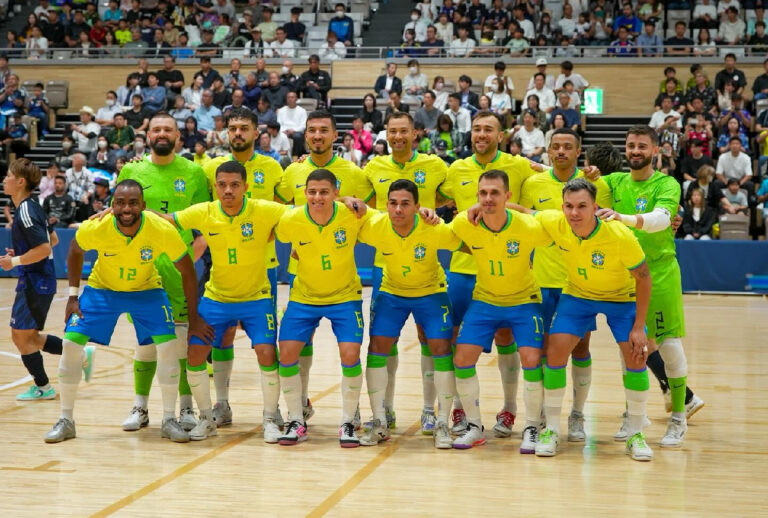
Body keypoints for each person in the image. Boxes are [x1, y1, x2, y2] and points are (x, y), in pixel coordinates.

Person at [44, 179, 209, 443]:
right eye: (120, 203)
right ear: (112, 205)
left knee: (168, 346)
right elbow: (74, 250)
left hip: (146, 290)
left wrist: (193, 317)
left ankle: (168, 418)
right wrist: (73, 297)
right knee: (71, 345)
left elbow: (187, 270)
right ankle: (66, 420)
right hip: (102, 289)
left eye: (133, 202)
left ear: (143, 205)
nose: (126, 208)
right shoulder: (97, 227)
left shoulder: (160, 229)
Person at [158, 160, 288, 441]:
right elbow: (166, 219)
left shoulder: (264, 210)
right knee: (194, 355)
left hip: (257, 297)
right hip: (217, 298)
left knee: (267, 352)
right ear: (215, 186)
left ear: (246, 186)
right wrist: (116, 211)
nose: (228, 190)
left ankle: (270, 417)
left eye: (235, 185)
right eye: (222, 185)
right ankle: (207, 417)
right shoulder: (205, 212)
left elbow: (304, 212)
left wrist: (344, 200)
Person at [598, 126, 705, 447]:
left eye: (642, 146)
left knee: (668, 344)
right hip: (623, 275)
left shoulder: (666, 183)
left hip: (658, 273)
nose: (635, 151)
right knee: (627, 346)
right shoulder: (614, 181)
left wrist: (622, 217)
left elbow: (660, 219)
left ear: (655, 151)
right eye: (630, 145)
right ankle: (635, 416)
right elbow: (572, 182)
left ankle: (678, 417)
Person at [440, 111, 540, 436]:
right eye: (476, 129)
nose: (481, 134)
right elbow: (434, 197)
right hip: (462, 269)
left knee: (506, 338)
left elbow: (555, 175)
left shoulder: (520, 165)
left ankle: (510, 409)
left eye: (488, 129)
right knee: (458, 342)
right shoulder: (455, 169)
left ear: (501, 135)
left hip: (507, 270)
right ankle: (460, 407)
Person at [116, 113, 211, 434]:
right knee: (145, 343)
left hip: (177, 274)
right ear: (148, 134)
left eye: (167, 129)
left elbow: (203, 232)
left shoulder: (194, 173)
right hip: (141, 273)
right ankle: (140, 406)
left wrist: (183, 263)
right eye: (156, 128)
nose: (161, 133)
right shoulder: (132, 170)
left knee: (182, 342)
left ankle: (185, 407)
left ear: (178, 136)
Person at [276, 112, 371, 422]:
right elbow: (282, 209)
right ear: (305, 135)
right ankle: (300, 402)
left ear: (334, 135)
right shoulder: (292, 171)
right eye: (312, 130)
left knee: (349, 349)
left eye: (323, 130)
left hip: (339, 268)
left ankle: (351, 410)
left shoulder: (353, 172)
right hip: (300, 269)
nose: (317, 135)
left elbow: (366, 213)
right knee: (301, 341)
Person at [449, 169, 550, 450]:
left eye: (495, 193)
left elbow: (557, 223)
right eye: (483, 193)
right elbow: (440, 234)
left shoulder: (528, 226)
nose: (488, 198)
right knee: (462, 359)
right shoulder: (464, 223)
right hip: (485, 300)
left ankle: (531, 426)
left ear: (507, 195)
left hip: (524, 300)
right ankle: (474, 426)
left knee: (531, 359)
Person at [362, 112, 449, 432]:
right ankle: (385, 408)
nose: (398, 136)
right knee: (384, 341)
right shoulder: (373, 167)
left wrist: (432, 213)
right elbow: (361, 203)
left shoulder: (436, 166)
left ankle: (429, 409)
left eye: (403, 131)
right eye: (392, 131)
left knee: (431, 340)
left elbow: (454, 196)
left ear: (415, 133)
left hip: (427, 269)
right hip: (387, 270)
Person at [355, 179, 457, 447]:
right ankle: (379, 420)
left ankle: (442, 421)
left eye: (405, 204)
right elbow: (343, 207)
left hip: (431, 292)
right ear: (385, 205)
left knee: (441, 348)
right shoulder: (375, 225)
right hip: (392, 292)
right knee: (377, 347)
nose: (398, 209)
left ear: (417, 207)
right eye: (393, 203)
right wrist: (346, 200)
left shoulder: (432, 227)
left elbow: (463, 240)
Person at [200, 107, 285, 423]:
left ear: (256, 131)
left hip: (264, 267)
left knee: (265, 342)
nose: (238, 133)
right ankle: (221, 404)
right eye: (232, 127)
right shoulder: (210, 169)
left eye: (244, 128)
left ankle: (273, 411)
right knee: (220, 337)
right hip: (222, 265)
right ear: (224, 132)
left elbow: (288, 209)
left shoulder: (273, 167)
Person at [0, 159, 85, 401]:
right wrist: (21, 255)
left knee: (22, 336)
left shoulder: (26, 210)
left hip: (35, 281)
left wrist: (15, 262)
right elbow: (54, 241)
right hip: (36, 279)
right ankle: (78, 356)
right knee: (27, 337)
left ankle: (45, 386)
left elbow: (45, 246)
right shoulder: (32, 206)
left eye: (8, 176)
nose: (4, 180)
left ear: (20, 181)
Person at [277, 91, 308, 157]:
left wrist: (293, 130)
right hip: (283, 131)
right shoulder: (281, 110)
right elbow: (278, 124)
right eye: (288, 97)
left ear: (296, 99)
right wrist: (285, 131)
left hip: (296, 132)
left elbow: (304, 125)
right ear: (286, 99)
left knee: (298, 136)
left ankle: (295, 156)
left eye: (292, 97)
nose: (290, 99)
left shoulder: (302, 111)